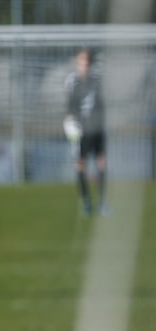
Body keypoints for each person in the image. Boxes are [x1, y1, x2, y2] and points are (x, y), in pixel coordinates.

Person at [65, 47, 108, 216]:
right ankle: (86, 202)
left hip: (97, 128)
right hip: (81, 130)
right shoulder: (72, 81)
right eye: (81, 61)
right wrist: (71, 125)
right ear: (78, 63)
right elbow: (70, 106)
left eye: (86, 61)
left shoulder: (96, 80)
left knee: (101, 163)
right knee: (81, 164)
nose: (84, 64)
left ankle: (102, 203)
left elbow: (101, 103)